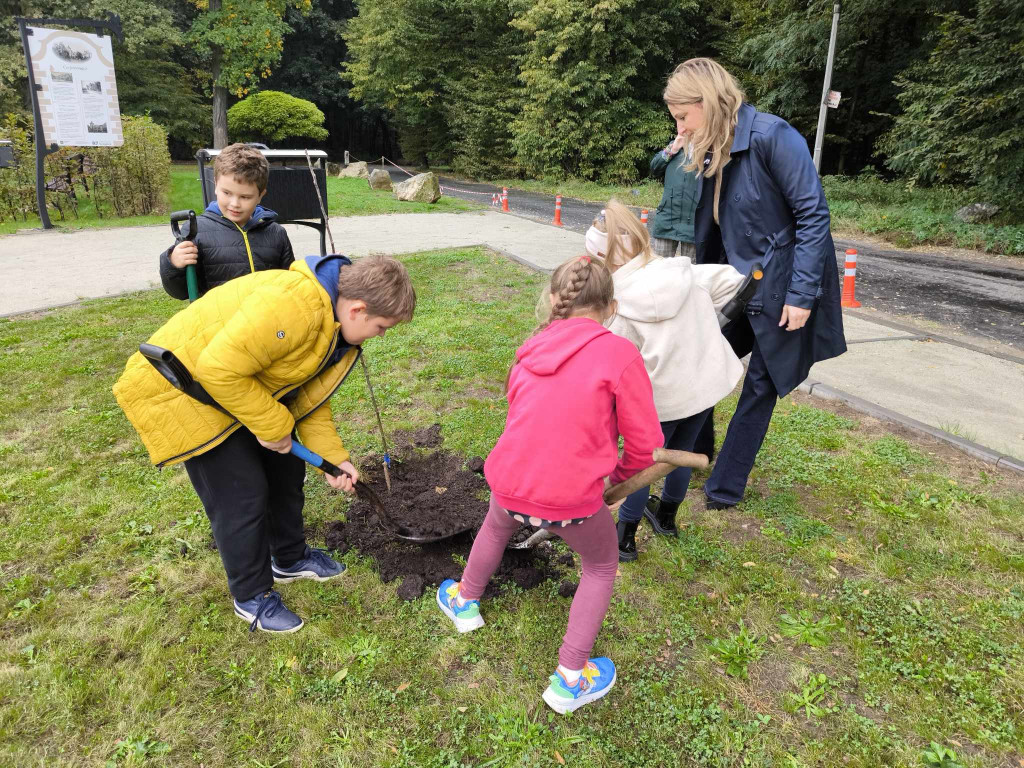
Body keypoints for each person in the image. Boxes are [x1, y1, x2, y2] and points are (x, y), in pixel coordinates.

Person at [114, 254, 416, 633]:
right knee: (242, 494)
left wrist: (335, 459)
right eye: (382, 326)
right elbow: (217, 369)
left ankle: (288, 558)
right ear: (357, 309)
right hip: (184, 391)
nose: (382, 335)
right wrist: (274, 425)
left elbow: (310, 400)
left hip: (241, 389)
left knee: (285, 473)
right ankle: (251, 596)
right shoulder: (296, 307)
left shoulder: (336, 332)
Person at [435, 254, 663, 714]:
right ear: (611, 307)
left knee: (497, 526)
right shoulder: (620, 354)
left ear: (556, 299)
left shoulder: (531, 346)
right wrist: (617, 481)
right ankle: (570, 680)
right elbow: (646, 447)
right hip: (571, 497)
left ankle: (465, 602)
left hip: (510, 480)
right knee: (600, 567)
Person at [663, 58, 846, 509]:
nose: (681, 127)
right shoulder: (708, 143)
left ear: (708, 102)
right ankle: (697, 453)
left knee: (760, 384)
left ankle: (724, 488)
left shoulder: (771, 136)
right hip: (736, 282)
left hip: (783, 284)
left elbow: (813, 215)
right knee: (704, 361)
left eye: (684, 117)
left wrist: (803, 295)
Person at [585, 201, 745, 561]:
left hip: (664, 399)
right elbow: (733, 282)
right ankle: (667, 517)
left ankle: (624, 539)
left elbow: (614, 367)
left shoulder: (620, 308)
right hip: (705, 384)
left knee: (643, 466)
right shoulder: (684, 272)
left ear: (605, 259)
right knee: (682, 455)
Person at [159, 143, 294, 299]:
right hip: (220, 322)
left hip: (265, 321)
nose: (234, 203)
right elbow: (180, 292)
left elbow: (288, 285)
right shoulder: (196, 231)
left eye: (245, 197)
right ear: (216, 185)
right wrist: (173, 264)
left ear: (261, 195)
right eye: (227, 193)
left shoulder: (276, 233)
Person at [648, 130, 701, 259]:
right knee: (661, 270)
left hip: (694, 223)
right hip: (667, 220)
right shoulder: (674, 148)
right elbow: (654, 168)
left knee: (690, 273)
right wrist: (673, 148)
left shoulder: (709, 150)